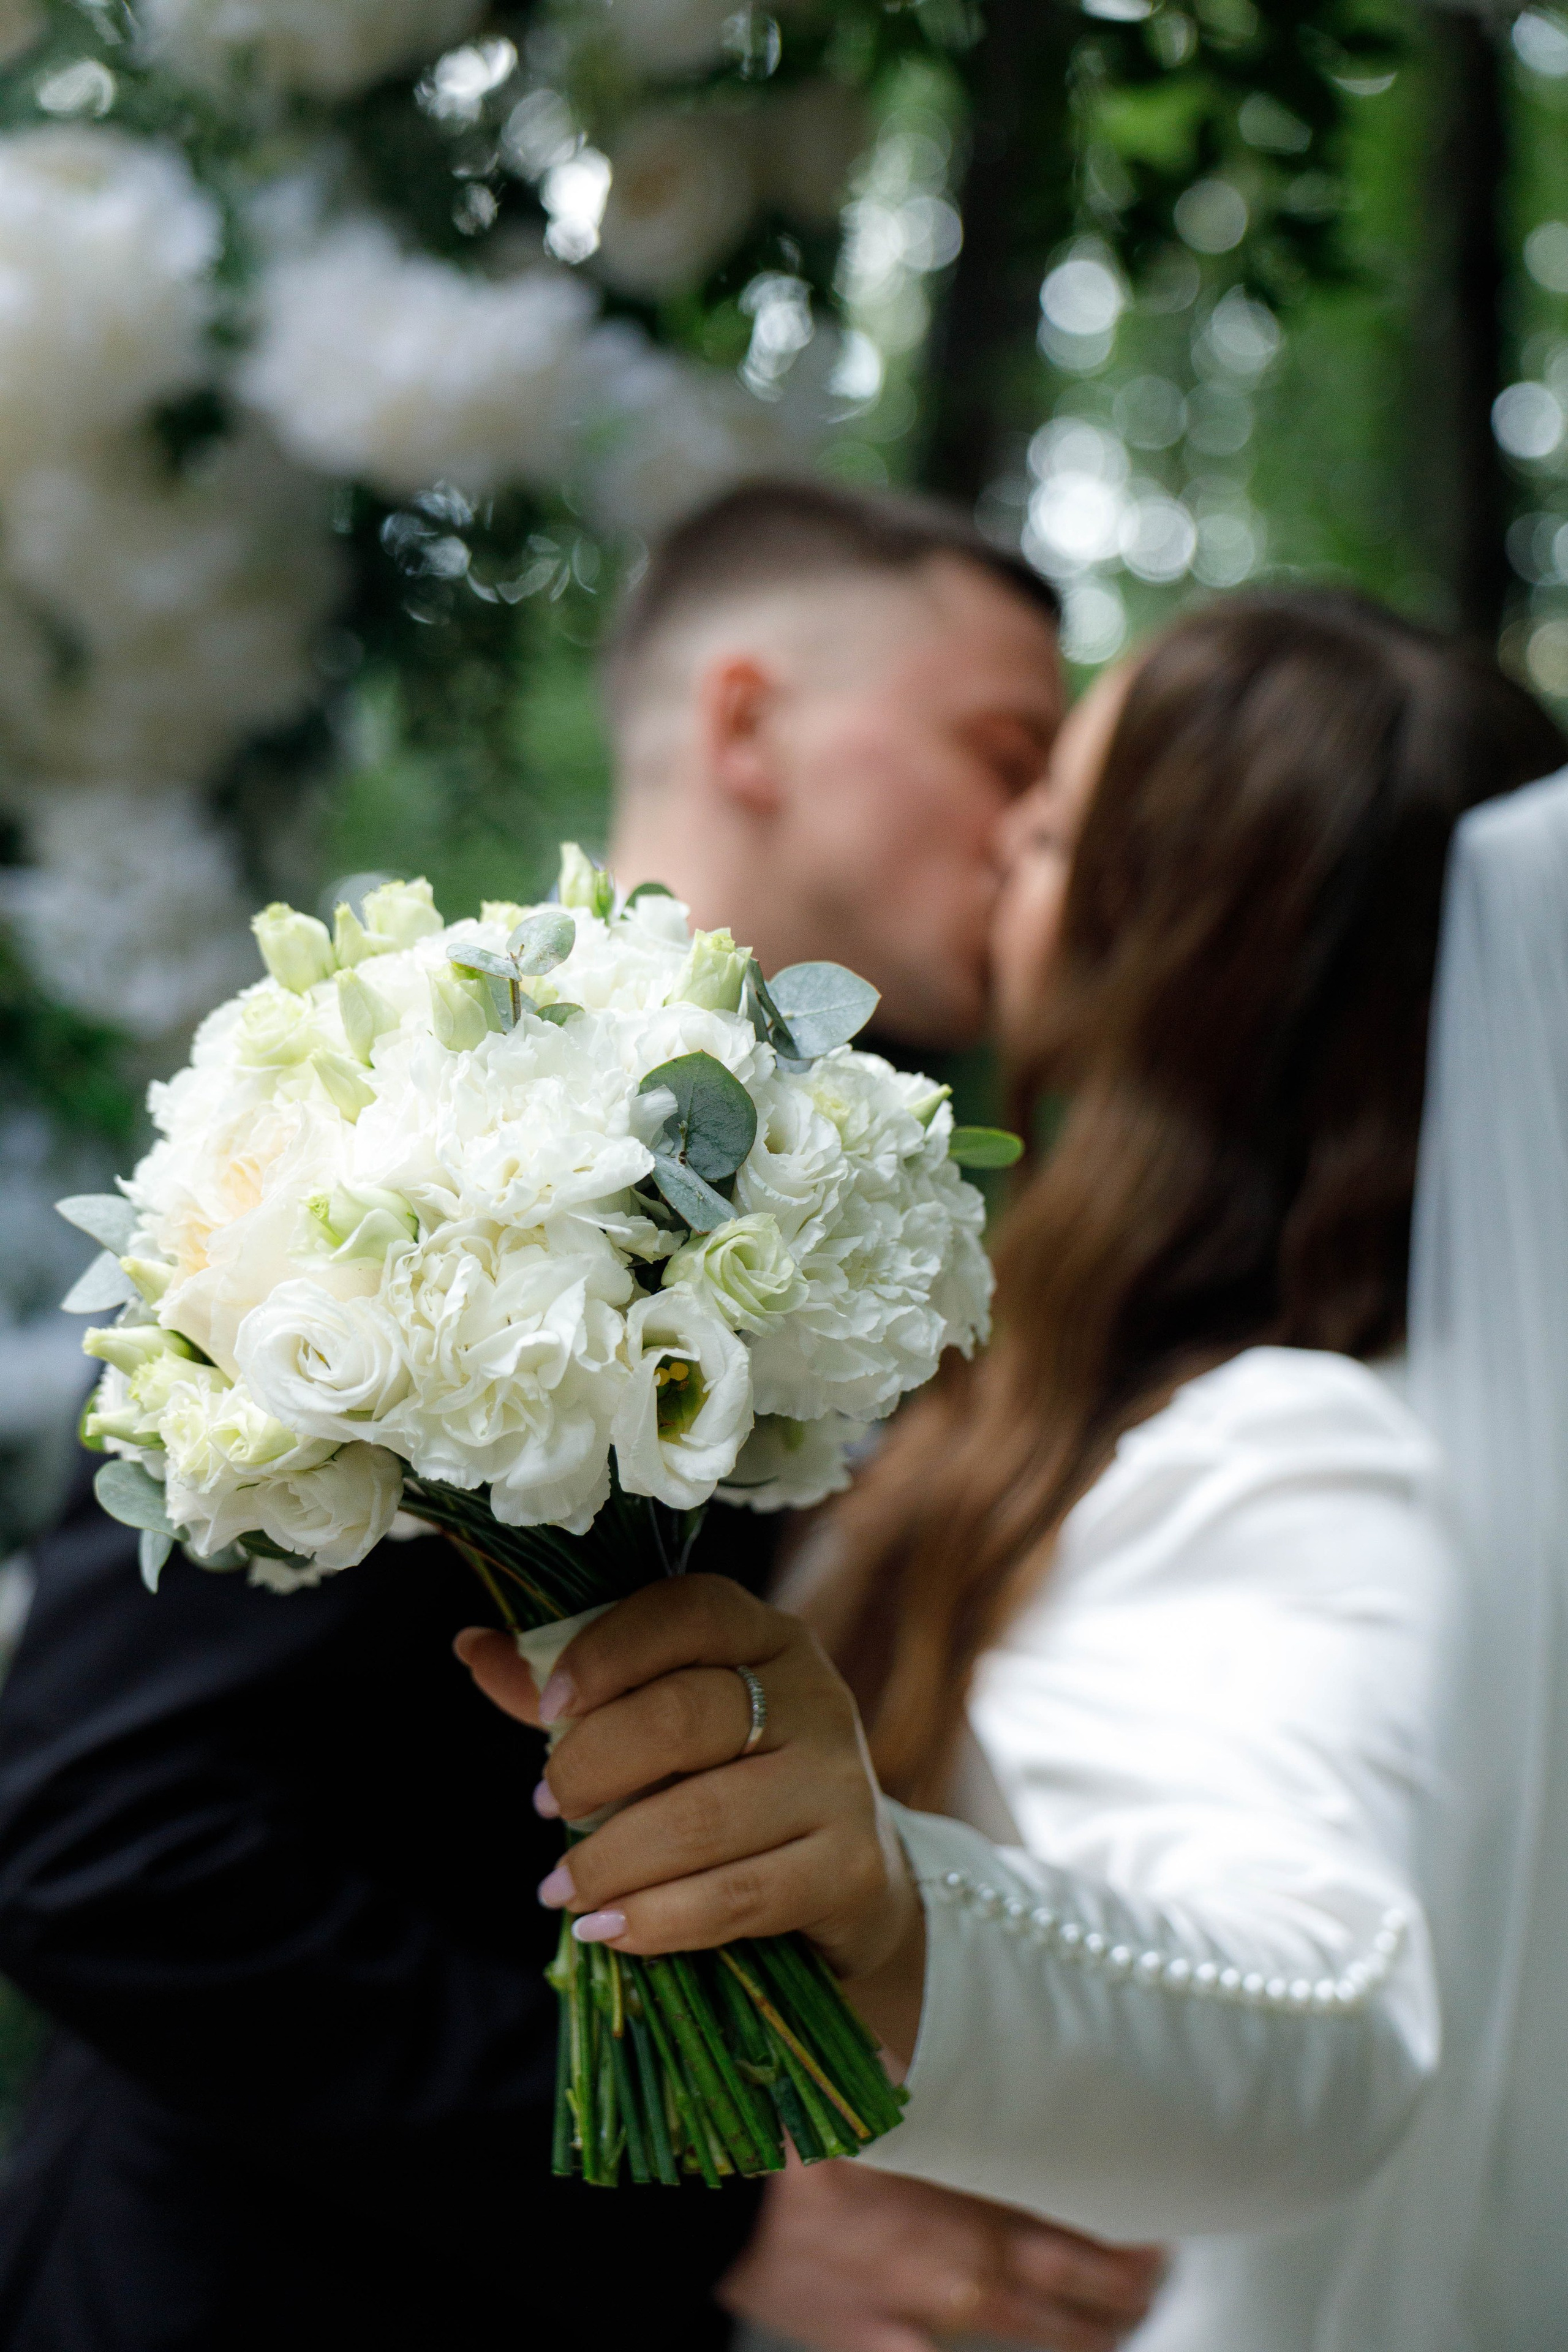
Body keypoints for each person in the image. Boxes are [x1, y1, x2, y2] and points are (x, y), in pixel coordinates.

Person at [0, 477, 1122, 2352]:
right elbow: (104, 1826)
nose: (1031, 831)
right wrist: (697, 2221)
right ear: (749, 720)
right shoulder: (418, 1147)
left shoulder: (875, 1217)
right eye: (1002, 750)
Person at [453, 590, 1568, 2351]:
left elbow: (1331, 2019)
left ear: (1183, 955)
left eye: (1047, 832)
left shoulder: (1307, 1452)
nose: (992, 871)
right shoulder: (1160, 1396)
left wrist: (892, 1920)